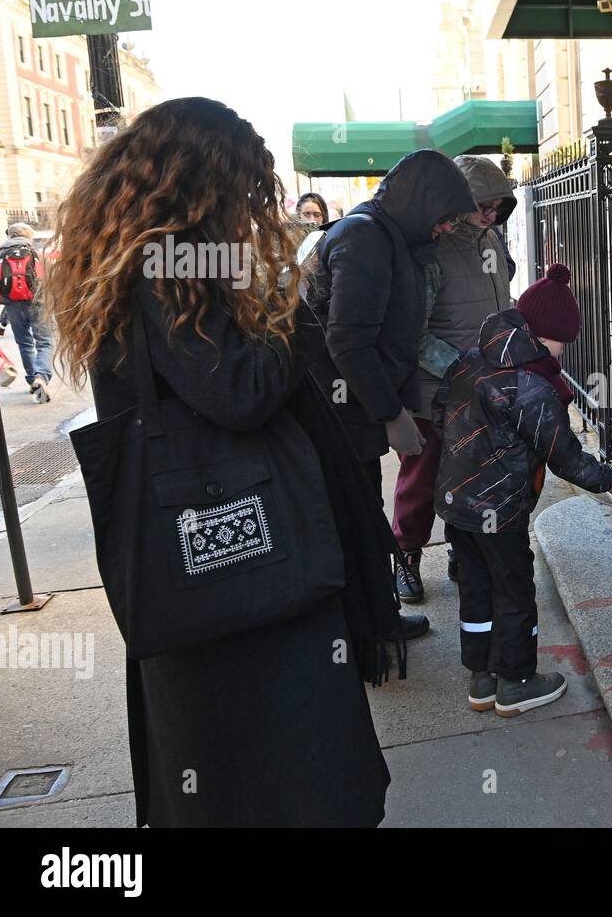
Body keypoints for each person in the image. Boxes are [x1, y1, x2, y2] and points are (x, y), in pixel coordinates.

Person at [44, 97, 398, 827]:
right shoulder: (164, 271)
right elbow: (241, 393)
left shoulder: (140, 262)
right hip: (247, 576)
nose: (249, 205)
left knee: (236, 777)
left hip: (208, 580)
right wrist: (293, 313)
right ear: (201, 182)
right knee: (298, 778)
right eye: (242, 185)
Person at [433, 264, 612, 716]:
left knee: (475, 586)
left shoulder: (473, 358)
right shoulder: (529, 385)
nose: (562, 351)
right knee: (513, 589)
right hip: (500, 507)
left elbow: (440, 415)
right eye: (561, 340)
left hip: (456, 502)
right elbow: (563, 453)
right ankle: (517, 681)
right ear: (542, 333)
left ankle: (481, 679)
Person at [311, 149, 476, 639]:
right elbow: (348, 339)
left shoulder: (389, 236)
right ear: (421, 203)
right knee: (357, 516)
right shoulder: (362, 238)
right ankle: (369, 626)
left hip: (358, 406)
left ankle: (374, 617)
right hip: (343, 411)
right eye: (443, 219)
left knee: (362, 513)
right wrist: (390, 413)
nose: (446, 229)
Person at [391, 155, 517, 604]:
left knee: (470, 478)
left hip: (483, 387)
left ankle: (460, 551)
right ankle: (405, 554)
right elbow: (412, 330)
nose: (491, 214)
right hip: (434, 390)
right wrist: (460, 366)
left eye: (499, 206)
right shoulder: (432, 249)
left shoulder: (494, 240)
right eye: (484, 204)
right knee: (422, 478)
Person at [0, 223, 53, 403]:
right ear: (29, 236)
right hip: (39, 303)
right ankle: (42, 377)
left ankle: (33, 379)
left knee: (25, 344)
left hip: (13, 306)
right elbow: (50, 281)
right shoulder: (38, 253)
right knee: (45, 342)